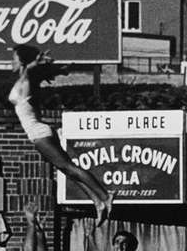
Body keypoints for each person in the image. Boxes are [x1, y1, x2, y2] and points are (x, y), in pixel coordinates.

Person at [7, 43, 115, 215]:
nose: (10, 62)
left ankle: (105, 195)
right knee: (66, 169)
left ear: (22, 61)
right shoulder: (25, 79)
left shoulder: (27, 78)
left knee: (69, 167)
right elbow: (32, 71)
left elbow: (30, 69)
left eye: (13, 58)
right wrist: (57, 70)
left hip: (39, 133)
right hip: (41, 132)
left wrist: (36, 62)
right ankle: (97, 202)